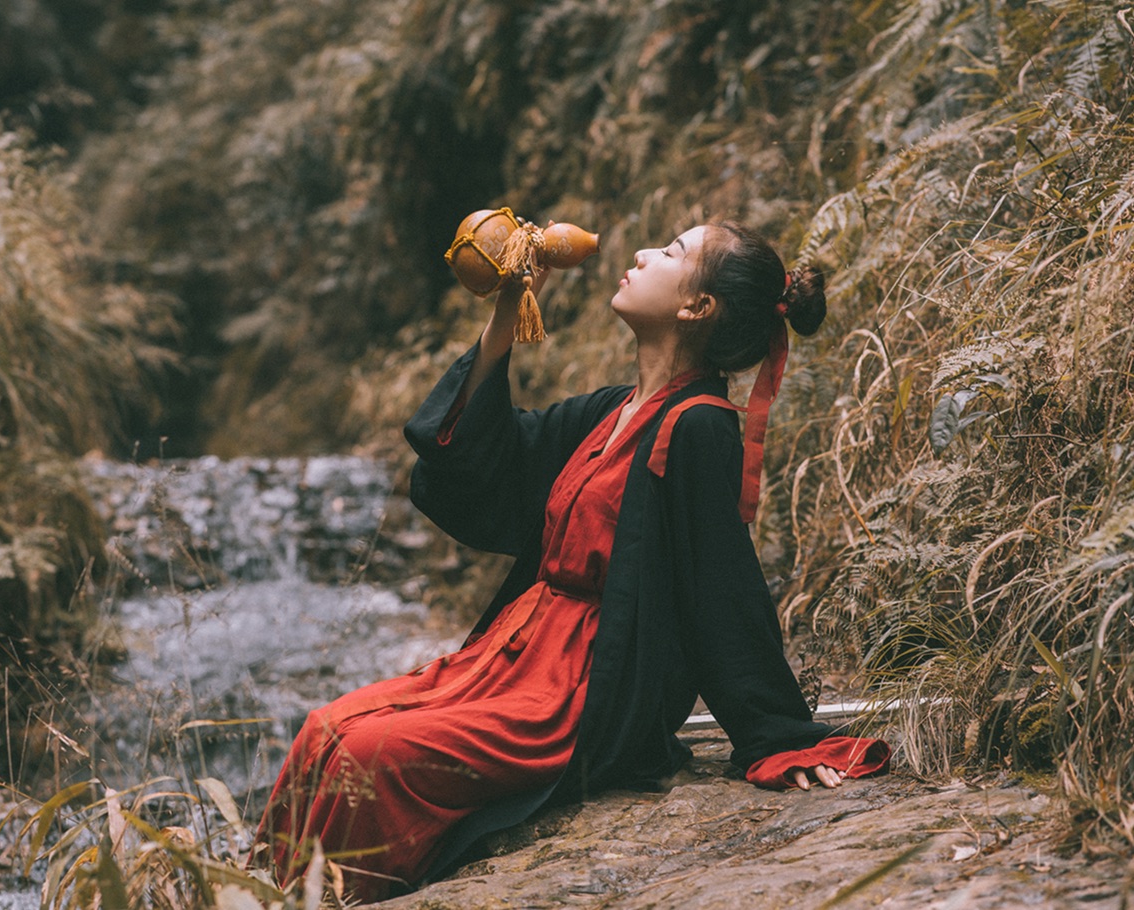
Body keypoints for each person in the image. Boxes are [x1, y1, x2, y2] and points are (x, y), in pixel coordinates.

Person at [256, 221, 889, 902]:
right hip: (511, 657)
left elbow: (720, 587)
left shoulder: (699, 425)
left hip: (582, 685)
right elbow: (480, 460)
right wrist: (508, 309)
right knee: (326, 730)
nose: (642, 254)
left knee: (369, 756)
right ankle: (264, 896)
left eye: (671, 253)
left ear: (695, 308)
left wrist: (777, 735)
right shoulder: (610, 410)